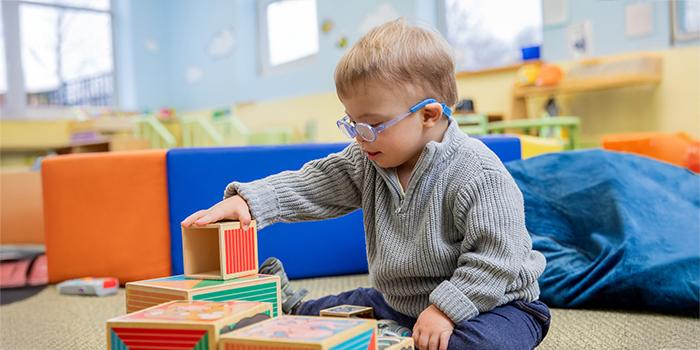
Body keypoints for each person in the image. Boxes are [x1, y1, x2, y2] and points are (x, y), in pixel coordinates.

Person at [182, 18, 550, 350]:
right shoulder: (369, 160)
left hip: (497, 304)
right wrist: (251, 202)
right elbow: (315, 184)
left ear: (428, 114)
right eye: (351, 123)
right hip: (401, 302)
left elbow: (496, 259)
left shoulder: (478, 173)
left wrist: (445, 309)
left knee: (471, 345)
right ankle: (294, 305)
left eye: (370, 125)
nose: (359, 137)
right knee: (335, 313)